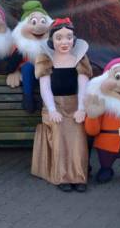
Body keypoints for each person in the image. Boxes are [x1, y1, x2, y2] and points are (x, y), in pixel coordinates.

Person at [31, 18, 93, 192]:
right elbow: (45, 88)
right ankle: (62, 176)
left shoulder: (80, 57)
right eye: (59, 38)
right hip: (54, 106)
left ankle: (79, 176)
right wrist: (52, 109)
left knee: (78, 137)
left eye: (68, 37)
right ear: (52, 40)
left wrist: (81, 108)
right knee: (59, 134)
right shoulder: (45, 58)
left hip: (75, 105)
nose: (64, 42)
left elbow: (83, 86)